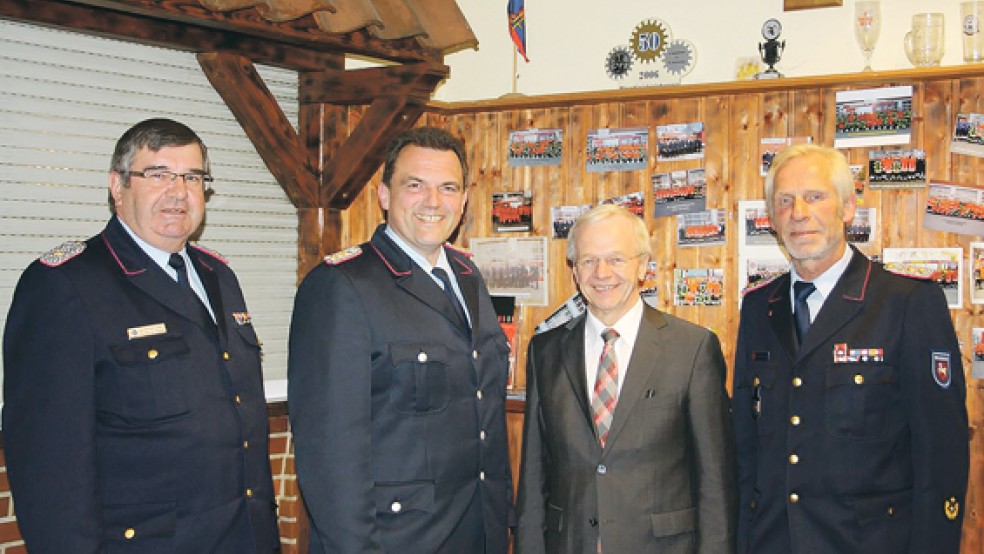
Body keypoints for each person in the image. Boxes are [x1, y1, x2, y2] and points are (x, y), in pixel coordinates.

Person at [2, 118, 281, 552]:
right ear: (117, 186)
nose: (178, 191)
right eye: (158, 175)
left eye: (192, 177)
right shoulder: (66, 285)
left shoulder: (218, 275)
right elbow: (49, 470)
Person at [733, 144, 969, 554]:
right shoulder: (758, 307)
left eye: (815, 196)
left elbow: (941, 454)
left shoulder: (906, 304)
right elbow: (745, 450)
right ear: (771, 218)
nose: (799, 212)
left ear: (847, 208)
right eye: (785, 201)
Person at [288, 126, 513, 554]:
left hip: (476, 531)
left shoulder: (468, 278)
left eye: (448, 188)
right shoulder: (342, 286)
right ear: (385, 195)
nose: (433, 202)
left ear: (463, 201)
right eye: (415, 185)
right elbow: (329, 456)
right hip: (396, 540)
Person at [515, 204, 737, 554]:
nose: (602, 273)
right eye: (588, 260)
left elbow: (716, 482)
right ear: (574, 270)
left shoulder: (692, 349)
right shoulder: (545, 351)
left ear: (643, 265)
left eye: (616, 259)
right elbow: (532, 476)